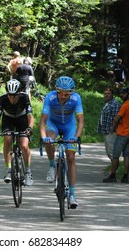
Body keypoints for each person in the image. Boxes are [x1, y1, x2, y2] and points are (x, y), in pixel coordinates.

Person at [39, 76, 84, 209]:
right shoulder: (50, 97)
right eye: (61, 93)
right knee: (50, 139)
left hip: (69, 126)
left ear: (71, 92)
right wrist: (43, 137)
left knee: (71, 157)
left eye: (67, 93)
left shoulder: (76, 98)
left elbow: (80, 121)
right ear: (56, 91)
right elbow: (42, 121)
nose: (64, 96)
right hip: (53, 124)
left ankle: (72, 195)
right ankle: (52, 165)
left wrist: (76, 136)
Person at [0, 79, 34, 186]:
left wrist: (30, 128)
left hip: (22, 118)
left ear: (19, 93)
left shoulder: (24, 97)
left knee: (24, 145)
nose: (12, 98)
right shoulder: (2, 99)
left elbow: (30, 116)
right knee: (7, 139)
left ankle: (27, 171)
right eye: (10, 95)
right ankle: (8, 169)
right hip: (8, 119)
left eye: (15, 95)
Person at [103, 87, 129, 183]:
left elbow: (117, 118)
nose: (121, 95)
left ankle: (112, 175)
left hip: (122, 134)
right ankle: (125, 176)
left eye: (124, 94)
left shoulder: (125, 105)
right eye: (121, 93)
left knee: (115, 156)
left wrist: (113, 127)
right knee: (126, 155)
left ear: (128, 95)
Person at [97, 87, 121, 161]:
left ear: (112, 94)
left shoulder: (115, 104)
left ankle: (114, 170)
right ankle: (113, 169)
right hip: (106, 131)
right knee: (108, 152)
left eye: (108, 94)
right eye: (105, 94)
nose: (106, 95)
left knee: (112, 152)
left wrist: (112, 128)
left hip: (112, 132)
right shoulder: (107, 103)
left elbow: (116, 118)